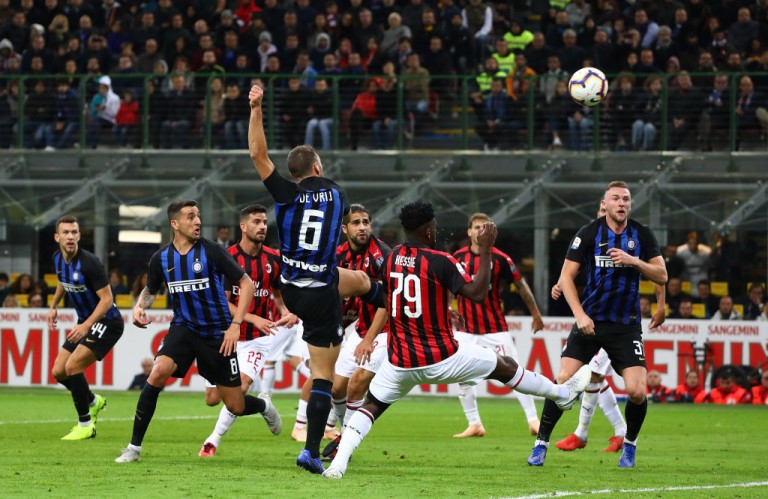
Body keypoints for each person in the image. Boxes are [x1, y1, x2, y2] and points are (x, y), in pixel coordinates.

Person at [322, 202, 592, 479]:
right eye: (434, 225)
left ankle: (337, 466)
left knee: (371, 407)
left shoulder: (392, 258)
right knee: (505, 365)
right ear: (429, 230)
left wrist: (439, 309)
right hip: (442, 357)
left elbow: (394, 295)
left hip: (400, 361)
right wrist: (486, 249)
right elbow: (477, 294)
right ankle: (562, 395)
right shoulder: (441, 260)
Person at [247, 84, 386, 474]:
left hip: (292, 289)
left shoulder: (286, 195)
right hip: (322, 292)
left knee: (361, 280)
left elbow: (257, 154)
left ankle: (383, 298)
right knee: (324, 376)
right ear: (319, 169)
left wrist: (256, 108)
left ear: (294, 175)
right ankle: (310, 450)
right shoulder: (339, 196)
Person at [115, 200, 281, 463]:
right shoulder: (162, 258)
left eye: (198, 216)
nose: (198, 221)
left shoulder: (212, 251)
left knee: (234, 404)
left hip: (217, 334)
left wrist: (235, 325)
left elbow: (246, 283)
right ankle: (133, 448)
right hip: (184, 328)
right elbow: (151, 289)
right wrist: (139, 306)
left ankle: (263, 405)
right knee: (157, 373)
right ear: (175, 224)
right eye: (191, 217)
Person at [527, 180, 668, 469]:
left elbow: (662, 275)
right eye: (615, 198)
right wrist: (580, 315)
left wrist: (634, 261)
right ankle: (541, 443)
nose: (621, 203)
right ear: (605, 203)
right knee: (562, 380)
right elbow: (566, 277)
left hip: (625, 326)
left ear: (630, 204)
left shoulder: (641, 234)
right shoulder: (589, 232)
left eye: (625, 199)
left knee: (637, 392)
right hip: (590, 322)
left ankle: (629, 444)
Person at [198, 204, 288, 457]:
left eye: (264, 222)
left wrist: (286, 310)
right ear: (243, 226)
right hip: (227, 335)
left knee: (242, 386)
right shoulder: (227, 258)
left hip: (257, 339)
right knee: (212, 399)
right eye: (256, 222)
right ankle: (263, 405)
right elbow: (223, 302)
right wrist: (253, 318)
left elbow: (278, 292)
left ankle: (212, 441)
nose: (262, 226)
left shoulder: (274, 259)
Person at [451, 212, 544, 438]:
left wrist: (536, 314)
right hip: (465, 330)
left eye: (485, 227)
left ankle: (533, 420)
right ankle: (474, 424)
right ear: (469, 232)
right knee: (461, 376)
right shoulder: (457, 257)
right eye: (477, 227)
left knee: (515, 372)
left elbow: (521, 285)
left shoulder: (501, 258)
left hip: (495, 329)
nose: (480, 231)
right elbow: (446, 286)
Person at [324, 204, 391, 459]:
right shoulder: (338, 255)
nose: (362, 227)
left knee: (356, 385)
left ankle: (345, 445)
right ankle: (345, 435)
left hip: (387, 330)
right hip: (361, 329)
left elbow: (387, 302)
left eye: (366, 222)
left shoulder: (382, 255)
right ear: (344, 228)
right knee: (337, 388)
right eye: (356, 223)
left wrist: (369, 340)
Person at [47, 215, 123, 440]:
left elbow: (107, 299)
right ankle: (92, 401)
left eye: (74, 232)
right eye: (66, 232)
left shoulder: (90, 263)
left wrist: (86, 325)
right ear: (57, 237)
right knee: (59, 371)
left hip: (107, 322)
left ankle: (85, 424)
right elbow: (63, 280)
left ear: (79, 236)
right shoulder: (58, 259)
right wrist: (53, 306)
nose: (70, 236)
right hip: (86, 322)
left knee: (73, 366)